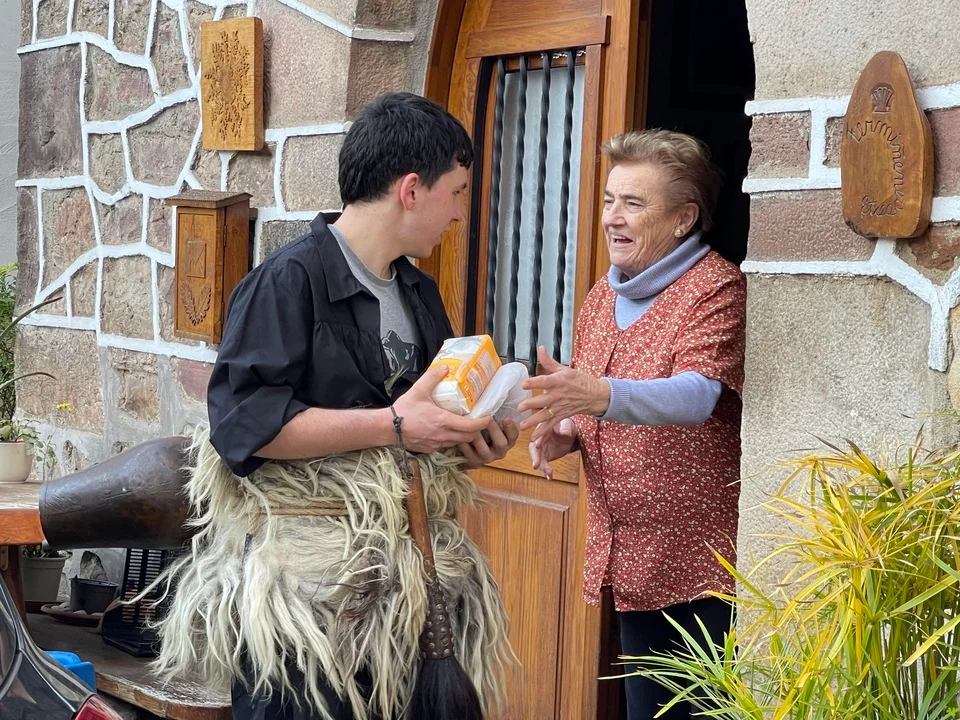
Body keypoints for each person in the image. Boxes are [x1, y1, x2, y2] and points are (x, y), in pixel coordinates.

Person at [152, 92, 518, 720]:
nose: (461, 213)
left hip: (406, 602)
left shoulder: (419, 291)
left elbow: (420, 433)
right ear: (411, 189)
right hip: (307, 602)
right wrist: (396, 424)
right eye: (457, 193)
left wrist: (472, 443)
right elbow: (244, 426)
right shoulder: (286, 282)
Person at [521, 129, 746, 720]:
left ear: (684, 219)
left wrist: (593, 395)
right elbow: (599, 404)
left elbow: (697, 395)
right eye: (608, 200)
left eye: (633, 203)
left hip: (701, 563)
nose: (611, 218)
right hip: (631, 559)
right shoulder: (603, 295)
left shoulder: (715, 287)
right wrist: (568, 431)